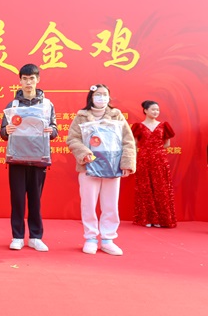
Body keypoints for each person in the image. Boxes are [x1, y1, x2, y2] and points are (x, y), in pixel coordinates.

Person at [66, 84, 136, 255]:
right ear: (91, 97)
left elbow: (128, 140)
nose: (101, 97)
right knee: (88, 203)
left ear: (109, 97)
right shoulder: (81, 116)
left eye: (105, 94)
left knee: (110, 204)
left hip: (112, 165)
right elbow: (73, 138)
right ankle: (90, 238)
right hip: (89, 165)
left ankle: (107, 239)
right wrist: (84, 153)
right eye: (98, 94)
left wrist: (127, 163)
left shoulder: (116, 115)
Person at [0, 64, 58, 252]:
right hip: (16, 158)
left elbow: (55, 129)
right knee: (17, 199)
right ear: (20, 81)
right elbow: (3, 133)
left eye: (32, 78)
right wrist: (6, 130)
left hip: (39, 158)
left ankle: (35, 237)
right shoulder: (12, 105)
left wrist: (51, 131)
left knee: (35, 200)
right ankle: (17, 236)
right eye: (24, 79)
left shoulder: (47, 105)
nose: (28, 82)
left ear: (37, 80)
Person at [131, 100, 176, 228]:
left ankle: (161, 219)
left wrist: (155, 150)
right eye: (153, 109)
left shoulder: (164, 125)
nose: (156, 112)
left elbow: (167, 144)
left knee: (161, 188)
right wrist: (145, 151)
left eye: (157, 110)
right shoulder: (138, 126)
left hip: (160, 160)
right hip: (144, 160)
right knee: (145, 188)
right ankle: (147, 218)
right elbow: (134, 144)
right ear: (145, 110)